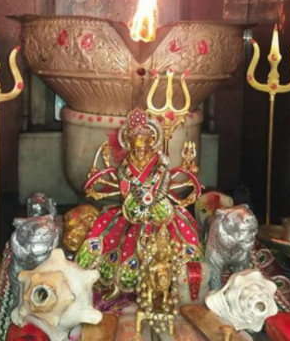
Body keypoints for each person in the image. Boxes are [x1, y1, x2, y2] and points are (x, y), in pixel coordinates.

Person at [76, 108, 202, 297]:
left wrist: (155, 198)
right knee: (112, 236)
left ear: (151, 143)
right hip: (132, 209)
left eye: (143, 148)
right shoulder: (125, 166)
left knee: (177, 239)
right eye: (136, 148)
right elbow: (124, 186)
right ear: (129, 145)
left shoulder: (160, 163)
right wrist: (135, 199)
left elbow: (164, 182)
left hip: (158, 208)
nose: (140, 152)